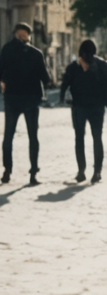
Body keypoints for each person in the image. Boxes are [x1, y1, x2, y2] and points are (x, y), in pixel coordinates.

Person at [0, 23, 53, 185]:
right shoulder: (36, 53)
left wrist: (1, 83)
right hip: (31, 100)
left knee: (8, 136)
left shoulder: (7, 50)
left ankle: (7, 170)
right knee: (33, 137)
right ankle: (33, 172)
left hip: (12, 99)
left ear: (15, 35)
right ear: (28, 36)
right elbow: (46, 78)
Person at [59, 38, 105, 185]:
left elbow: (65, 84)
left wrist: (62, 98)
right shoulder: (102, 65)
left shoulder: (74, 66)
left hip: (79, 107)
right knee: (97, 138)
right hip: (97, 107)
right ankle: (97, 172)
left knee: (79, 138)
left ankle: (81, 171)